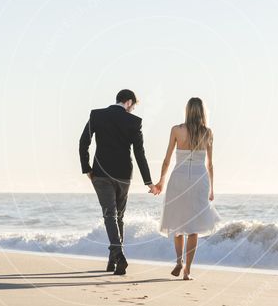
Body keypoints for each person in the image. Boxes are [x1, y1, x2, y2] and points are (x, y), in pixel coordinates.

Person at [79, 89, 160, 275]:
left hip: (100, 173)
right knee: (118, 217)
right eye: (133, 106)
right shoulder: (134, 122)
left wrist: (87, 169)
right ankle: (115, 258)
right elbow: (140, 154)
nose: (132, 109)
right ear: (129, 102)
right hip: (124, 175)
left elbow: (83, 142)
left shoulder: (97, 115)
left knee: (110, 215)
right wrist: (148, 182)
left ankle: (117, 256)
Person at [154, 97, 221, 280]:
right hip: (199, 180)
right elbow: (210, 164)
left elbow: (167, 159)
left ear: (187, 110)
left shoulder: (176, 130)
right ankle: (188, 271)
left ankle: (178, 261)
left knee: (177, 223)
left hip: (178, 178)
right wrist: (212, 189)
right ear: (202, 112)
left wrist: (160, 181)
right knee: (193, 228)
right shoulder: (207, 133)